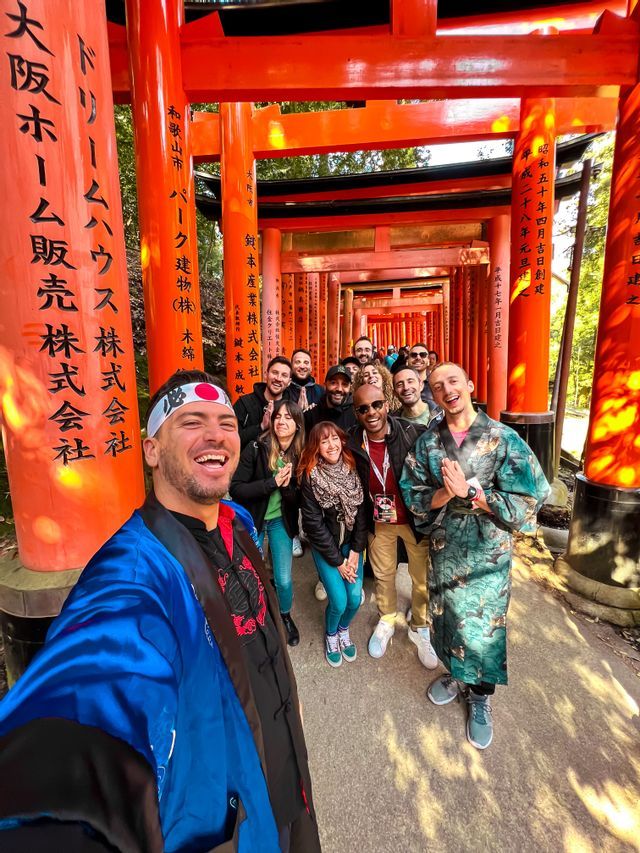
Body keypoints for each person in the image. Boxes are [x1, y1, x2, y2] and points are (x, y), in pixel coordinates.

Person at [0, 370, 320, 852]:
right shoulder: (133, 572)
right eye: (192, 422)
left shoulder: (239, 522)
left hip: (288, 773)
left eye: (226, 423)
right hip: (228, 816)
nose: (215, 435)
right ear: (151, 449)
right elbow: (91, 691)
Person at [400, 362, 549, 751]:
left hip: (488, 545)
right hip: (446, 542)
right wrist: (445, 495)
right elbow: (412, 491)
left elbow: (530, 495)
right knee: (447, 613)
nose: (446, 390)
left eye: (452, 381)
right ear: (432, 395)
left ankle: (480, 695)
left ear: (468, 384)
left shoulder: (502, 438)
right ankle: (456, 675)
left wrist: (475, 495)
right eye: (437, 386)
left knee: (484, 622)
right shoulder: (428, 443)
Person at [349, 384, 437, 668]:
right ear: (356, 412)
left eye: (376, 405)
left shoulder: (412, 433)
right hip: (379, 521)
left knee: (421, 578)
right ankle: (387, 618)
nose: (371, 412)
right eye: (363, 408)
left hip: (413, 519)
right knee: (383, 575)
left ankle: (420, 626)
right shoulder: (351, 441)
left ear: (386, 404)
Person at [230, 400, 305, 647]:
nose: (281, 421)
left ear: (297, 425)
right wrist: (271, 484)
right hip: (255, 521)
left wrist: (287, 488)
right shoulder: (256, 447)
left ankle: (284, 615)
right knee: (252, 574)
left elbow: (299, 499)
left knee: (283, 579)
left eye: (288, 418)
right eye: (278, 417)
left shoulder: (301, 455)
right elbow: (236, 489)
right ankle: (256, 616)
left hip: (280, 522)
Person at [299, 423, 367, 668]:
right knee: (338, 600)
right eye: (324, 441)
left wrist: (357, 551)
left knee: (354, 599)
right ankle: (331, 634)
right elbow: (313, 525)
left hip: (352, 546)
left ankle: (343, 629)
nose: (332, 445)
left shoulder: (351, 468)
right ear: (316, 447)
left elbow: (361, 513)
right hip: (327, 548)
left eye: (335, 439)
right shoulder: (310, 475)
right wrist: (338, 562)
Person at [234, 356, 293, 448]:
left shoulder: (291, 407)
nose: (278, 378)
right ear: (266, 375)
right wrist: (261, 426)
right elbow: (232, 439)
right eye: (275, 373)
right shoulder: (245, 403)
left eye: (284, 375)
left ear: (289, 382)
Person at [304, 364, 356, 433]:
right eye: (333, 383)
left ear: (350, 388)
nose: (339, 389)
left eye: (344, 384)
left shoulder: (356, 414)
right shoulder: (311, 415)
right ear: (325, 385)